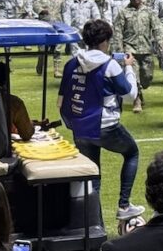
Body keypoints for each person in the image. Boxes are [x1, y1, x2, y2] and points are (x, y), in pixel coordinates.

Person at [58, 18, 146, 223]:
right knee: (132, 153)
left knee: (92, 176)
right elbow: (130, 94)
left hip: (80, 126)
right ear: (105, 40)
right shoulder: (110, 65)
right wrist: (129, 68)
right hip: (105, 125)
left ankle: (92, 223)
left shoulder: (71, 63)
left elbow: (62, 98)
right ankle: (124, 205)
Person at [0, 60, 35, 141]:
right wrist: (30, 124)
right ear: (5, 82)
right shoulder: (14, 103)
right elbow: (27, 133)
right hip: (0, 150)